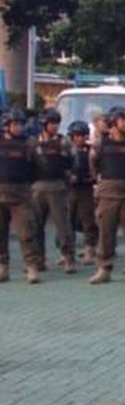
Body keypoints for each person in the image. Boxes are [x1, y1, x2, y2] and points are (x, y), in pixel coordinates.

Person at [89, 106, 125, 285]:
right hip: (108, 194)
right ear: (114, 122)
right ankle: (104, 268)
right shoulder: (100, 143)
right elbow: (94, 164)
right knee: (106, 232)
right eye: (123, 119)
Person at [0, 110, 40, 284]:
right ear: (6, 126)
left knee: (26, 231)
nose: (19, 127)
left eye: (21, 124)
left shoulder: (29, 144)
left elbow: (37, 167)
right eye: (15, 124)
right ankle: (2, 266)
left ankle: (31, 266)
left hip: (21, 193)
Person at [32, 110, 74, 273]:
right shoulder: (34, 143)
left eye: (57, 123)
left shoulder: (64, 142)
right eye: (52, 123)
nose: (55, 127)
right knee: (36, 225)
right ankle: (38, 260)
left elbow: (72, 162)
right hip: (37, 187)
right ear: (45, 125)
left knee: (63, 225)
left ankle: (68, 257)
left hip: (57, 186)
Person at [66, 120, 98, 267]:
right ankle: (68, 252)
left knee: (88, 220)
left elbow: (98, 168)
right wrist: (68, 176)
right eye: (76, 135)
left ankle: (89, 250)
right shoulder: (66, 150)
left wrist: (92, 178)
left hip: (86, 188)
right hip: (69, 189)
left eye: (82, 135)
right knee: (68, 221)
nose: (80, 138)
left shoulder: (91, 150)